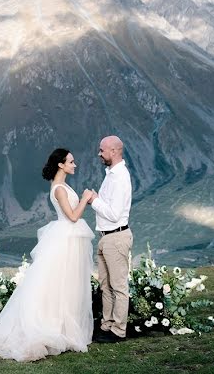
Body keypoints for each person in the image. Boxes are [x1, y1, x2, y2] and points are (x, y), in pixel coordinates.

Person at [0, 148, 96, 362]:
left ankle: (63, 328)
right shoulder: (60, 190)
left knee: (65, 284)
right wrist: (85, 198)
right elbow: (73, 216)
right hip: (66, 239)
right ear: (61, 165)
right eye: (72, 162)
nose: (75, 165)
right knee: (62, 283)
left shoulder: (60, 186)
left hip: (66, 238)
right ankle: (54, 328)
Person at [88, 135, 133, 343]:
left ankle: (118, 330)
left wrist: (95, 200)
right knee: (105, 285)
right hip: (106, 237)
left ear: (114, 151)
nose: (99, 154)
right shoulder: (111, 175)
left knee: (118, 286)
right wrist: (98, 199)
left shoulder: (120, 176)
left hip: (116, 236)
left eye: (102, 150)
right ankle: (106, 325)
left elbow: (114, 214)